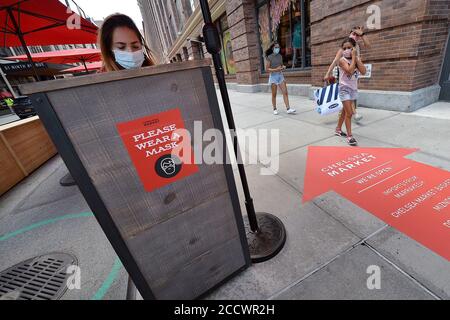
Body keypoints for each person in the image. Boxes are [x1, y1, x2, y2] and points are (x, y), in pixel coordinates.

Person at [324, 26, 371, 122]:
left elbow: (368, 45)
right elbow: (335, 60)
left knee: (351, 93)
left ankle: (346, 114)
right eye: (353, 34)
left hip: (353, 73)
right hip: (343, 72)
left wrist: (362, 34)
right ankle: (353, 113)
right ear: (350, 33)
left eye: (357, 35)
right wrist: (327, 73)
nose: (355, 36)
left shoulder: (356, 46)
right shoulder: (345, 47)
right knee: (346, 93)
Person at [335, 37, 366, 146]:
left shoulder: (356, 59)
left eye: (349, 47)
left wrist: (357, 59)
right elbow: (349, 71)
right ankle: (350, 136)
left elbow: (363, 71)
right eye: (344, 48)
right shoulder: (342, 60)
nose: (346, 50)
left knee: (344, 111)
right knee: (349, 113)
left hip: (353, 89)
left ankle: (338, 129)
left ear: (354, 48)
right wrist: (354, 58)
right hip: (344, 89)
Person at [265, 42, 296, 115]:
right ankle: (274, 109)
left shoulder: (280, 56)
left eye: (278, 47)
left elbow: (281, 65)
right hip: (273, 77)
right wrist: (276, 69)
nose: (277, 49)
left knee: (285, 92)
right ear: (273, 48)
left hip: (280, 76)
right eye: (276, 47)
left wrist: (283, 67)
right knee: (274, 94)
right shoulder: (269, 57)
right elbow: (267, 69)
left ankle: (288, 109)